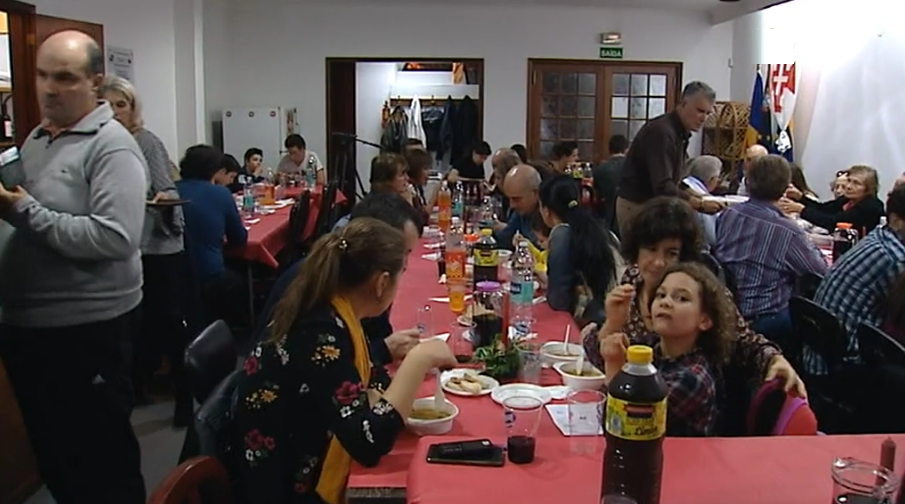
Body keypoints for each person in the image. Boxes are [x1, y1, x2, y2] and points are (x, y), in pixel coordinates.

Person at [0, 31, 146, 503]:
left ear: (94, 81)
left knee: (101, 462)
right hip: (30, 327)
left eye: (64, 78)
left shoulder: (112, 147)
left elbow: (115, 237)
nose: (48, 88)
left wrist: (21, 211)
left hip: (86, 330)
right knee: (56, 456)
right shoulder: (38, 138)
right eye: (42, 75)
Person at [233, 218, 457, 503]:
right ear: (382, 283)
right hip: (286, 484)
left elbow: (370, 380)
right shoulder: (319, 330)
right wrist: (419, 359)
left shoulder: (338, 310)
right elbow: (368, 443)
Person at [581, 197, 806, 412]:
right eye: (650, 249)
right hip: (634, 393)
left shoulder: (702, 294)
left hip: (676, 414)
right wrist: (611, 325)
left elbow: (745, 342)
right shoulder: (632, 280)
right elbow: (604, 353)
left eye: (671, 253)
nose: (659, 262)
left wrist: (775, 359)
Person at [99, 75, 190, 417]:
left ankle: (184, 397)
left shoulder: (146, 142)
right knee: (132, 326)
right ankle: (135, 389)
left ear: (132, 109)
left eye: (120, 105)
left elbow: (169, 189)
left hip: (158, 247)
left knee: (168, 323)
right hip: (122, 249)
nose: (114, 112)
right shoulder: (99, 144)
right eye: (106, 105)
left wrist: (163, 199)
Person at [254, 192, 424, 367]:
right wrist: (387, 352)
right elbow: (336, 367)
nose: (404, 265)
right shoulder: (320, 295)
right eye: (402, 253)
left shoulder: (357, 279)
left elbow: (377, 333)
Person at [598, 262, 735, 436]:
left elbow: (623, 425)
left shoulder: (693, 378)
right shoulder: (653, 346)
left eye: (682, 298)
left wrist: (614, 369)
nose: (666, 302)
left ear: (705, 320)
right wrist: (613, 322)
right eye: (661, 295)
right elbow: (596, 353)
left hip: (678, 460)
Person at [714, 155, 828, 348]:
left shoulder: (729, 213)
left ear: (747, 182)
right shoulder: (787, 230)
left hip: (725, 306)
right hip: (765, 316)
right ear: (785, 188)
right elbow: (820, 272)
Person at [808, 185, 905, 375]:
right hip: (846, 363)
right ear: (896, 220)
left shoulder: (878, 237)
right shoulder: (895, 257)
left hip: (821, 354)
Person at [616, 81, 723, 237]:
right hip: (638, 206)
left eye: (708, 113)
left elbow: (673, 180)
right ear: (683, 103)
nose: (703, 118)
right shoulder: (662, 133)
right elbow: (663, 185)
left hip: (652, 206)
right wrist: (698, 204)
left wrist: (701, 196)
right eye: (700, 111)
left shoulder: (679, 133)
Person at [177, 145, 249, 325]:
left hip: (175, 275)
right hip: (210, 274)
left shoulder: (172, 190)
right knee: (239, 281)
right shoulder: (220, 193)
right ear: (214, 170)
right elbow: (239, 239)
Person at [539, 175, 623, 323]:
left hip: (591, 323)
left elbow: (558, 301)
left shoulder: (562, 234)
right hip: (614, 313)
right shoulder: (599, 229)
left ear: (546, 211)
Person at [780, 164, 885, 236]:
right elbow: (823, 208)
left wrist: (802, 210)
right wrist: (801, 197)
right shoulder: (847, 200)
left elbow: (833, 221)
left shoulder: (871, 206)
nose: (848, 186)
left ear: (868, 188)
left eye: (856, 183)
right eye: (849, 181)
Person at [495, 164, 543, 249]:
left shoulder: (549, 215)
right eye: (509, 198)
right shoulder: (521, 212)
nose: (511, 205)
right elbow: (505, 238)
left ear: (536, 193)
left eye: (516, 199)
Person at [683, 155, 723, 249]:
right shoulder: (707, 202)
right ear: (712, 179)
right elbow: (711, 239)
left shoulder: (682, 185)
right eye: (718, 178)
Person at [593, 134, 629, 236]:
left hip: (608, 218)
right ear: (626, 149)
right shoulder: (632, 167)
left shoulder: (600, 169)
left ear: (609, 150)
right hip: (629, 216)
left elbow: (597, 196)